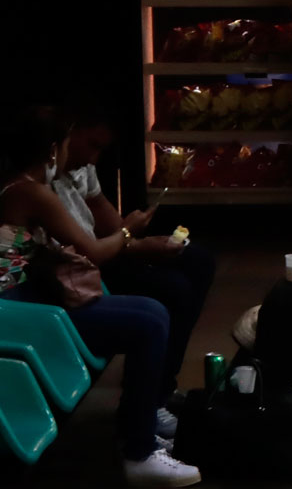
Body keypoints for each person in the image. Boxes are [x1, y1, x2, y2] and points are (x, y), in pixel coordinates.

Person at [1, 114, 198, 487]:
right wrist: (130, 231)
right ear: (51, 149)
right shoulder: (33, 192)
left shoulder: (16, 186)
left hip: (31, 299)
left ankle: (140, 428)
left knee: (152, 311)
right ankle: (139, 453)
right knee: (147, 323)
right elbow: (94, 250)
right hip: (20, 309)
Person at [38, 104, 220, 415]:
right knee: (169, 293)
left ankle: (156, 394)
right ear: (63, 139)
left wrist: (137, 241)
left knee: (198, 260)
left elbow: (105, 220)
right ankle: (146, 407)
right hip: (74, 272)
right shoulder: (37, 186)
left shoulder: (78, 168)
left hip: (96, 254)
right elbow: (90, 251)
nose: (93, 159)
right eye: (91, 145)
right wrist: (130, 238)